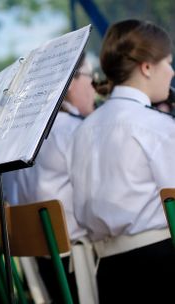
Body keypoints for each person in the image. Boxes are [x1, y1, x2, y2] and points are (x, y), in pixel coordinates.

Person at [70, 19, 175, 303]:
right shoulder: (157, 126)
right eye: (168, 62)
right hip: (160, 270)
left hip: (108, 273)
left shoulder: (82, 130)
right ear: (147, 67)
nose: (172, 71)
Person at [4, 56, 96, 303]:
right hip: (79, 266)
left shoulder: (14, 139)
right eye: (91, 78)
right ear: (72, 81)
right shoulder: (74, 130)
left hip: (42, 265)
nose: (95, 86)